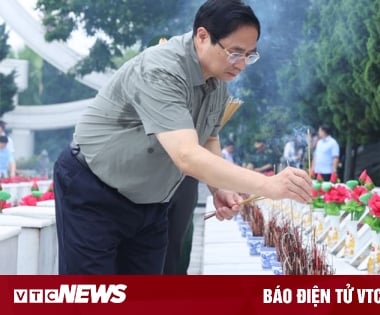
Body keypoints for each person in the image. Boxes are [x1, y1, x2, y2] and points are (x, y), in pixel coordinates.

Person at [53, 0, 312, 275]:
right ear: (202, 36)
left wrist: (218, 188)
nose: (242, 64)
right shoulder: (162, 68)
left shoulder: (217, 80)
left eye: (250, 55)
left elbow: (208, 135)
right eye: (235, 52)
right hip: (94, 191)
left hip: (150, 205)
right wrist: (267, 185)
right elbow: (186, 155)